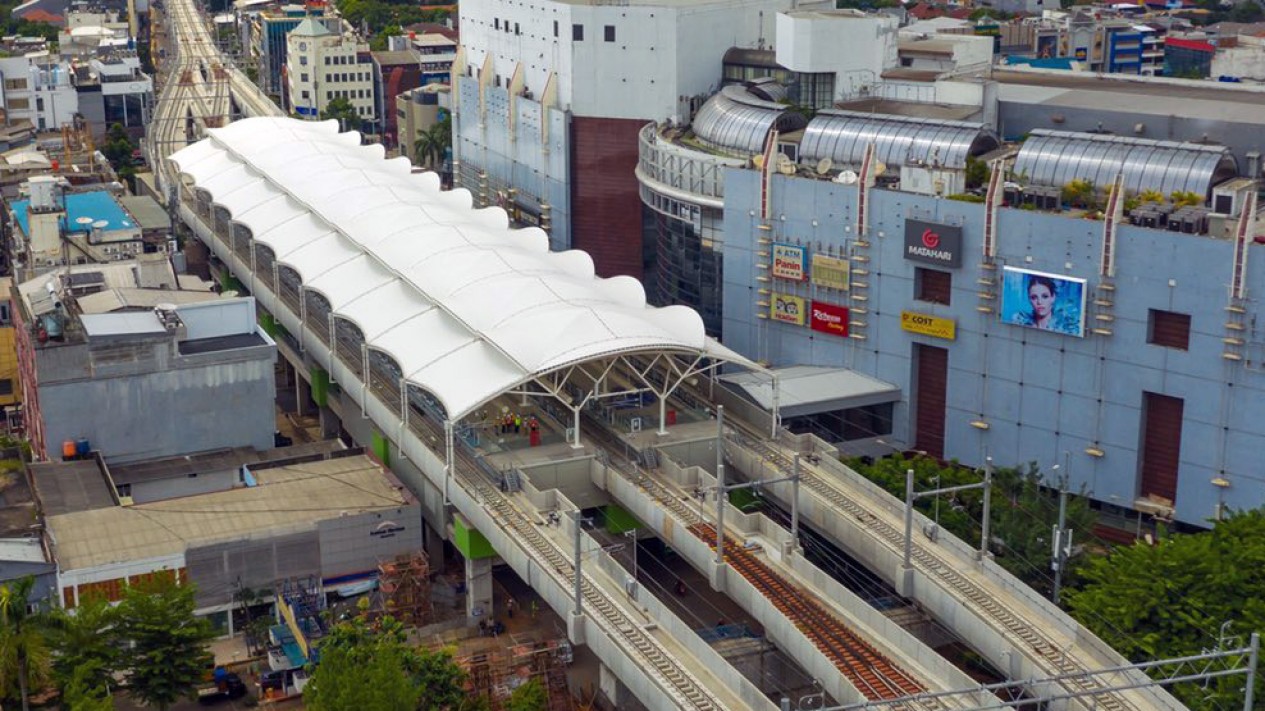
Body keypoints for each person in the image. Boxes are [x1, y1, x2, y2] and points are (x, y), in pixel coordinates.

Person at [1012, 273, 1079, 334]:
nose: (1039, 302)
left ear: (1053, 297)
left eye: (1045, 296)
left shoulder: (1067, 327)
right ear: (1029, 300)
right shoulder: (1020, 322)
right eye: (1034, 297)